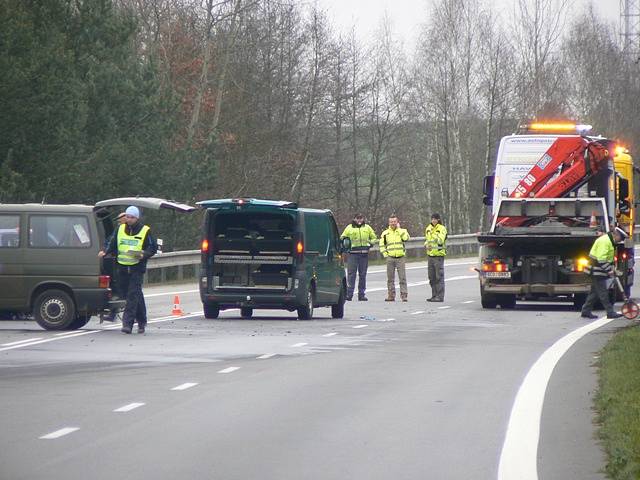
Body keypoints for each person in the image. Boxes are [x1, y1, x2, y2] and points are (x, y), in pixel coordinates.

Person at [99, 206, 157, 333]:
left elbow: (153, 247)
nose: (129, 220)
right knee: (132, 295)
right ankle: (142, 321)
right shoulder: (120, 229)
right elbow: (112, 243)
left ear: (137, 218)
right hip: (122, 267)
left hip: (137, 267)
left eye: (132, 217)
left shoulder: (145, 230)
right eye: (128, 217)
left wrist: (144, 254)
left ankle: (127, 324)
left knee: (132, 296)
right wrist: (105, 251)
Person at [580, 226, 625, 320]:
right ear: (616, 235)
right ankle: (610, 312)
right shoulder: (606, 241)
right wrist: (610, 271)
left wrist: (612, 269)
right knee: (603, 292)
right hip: (596, 270)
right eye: (621, 238)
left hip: (597, 269)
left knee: (595, 292)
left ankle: (586, 310)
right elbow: (601, 259)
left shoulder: (609, 241)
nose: (620, 241)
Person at [98, 212, 128, 323]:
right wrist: (105, 251)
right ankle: (114, 314)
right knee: (117, 289)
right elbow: (111, 241)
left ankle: (131, 316)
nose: (119, 222)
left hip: (125, 264)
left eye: (120, 220)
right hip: (118, 261)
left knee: (124, 291)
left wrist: (105, 251)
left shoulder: (130, 230)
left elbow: (111, 242)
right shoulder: (120, 229)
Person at [340, 214, 377, 301]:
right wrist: (346, 245)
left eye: (361, 218)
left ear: (363, 219)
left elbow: (374, 237)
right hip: (352, 254)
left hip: (364, 254)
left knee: (362, 275)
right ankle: (349, 294)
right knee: (351, 275)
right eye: (358, 219)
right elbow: (342, 237)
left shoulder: (367, 228)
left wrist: (370, 243)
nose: (359, 220)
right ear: (354, 219)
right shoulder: (349, 228)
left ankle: (361, 294)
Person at [379, 215, 410, 302]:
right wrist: (385, 254)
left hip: (400, 257)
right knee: (390, 278)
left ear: (397, 222)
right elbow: (381, 245)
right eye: (391, 222)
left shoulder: (402, 231)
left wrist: (399, 230)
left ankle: (404, 295)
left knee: (402, 277)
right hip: (390, 258)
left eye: (394, 222)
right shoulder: (385, 233)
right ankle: (391, 295)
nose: (393, 223)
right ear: (389, 223)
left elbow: (406, 238)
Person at [424, 213, 448, 302]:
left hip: (438, 255)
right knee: (431, 277)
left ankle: (440, 296)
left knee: (439, 276)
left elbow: (441, 240)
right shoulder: (428, 228)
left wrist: (433, 236)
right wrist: (426, 244)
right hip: (430, 254)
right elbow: (427, 239)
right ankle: (434, 295)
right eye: (432, 219)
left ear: (438, 220)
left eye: (435, 219)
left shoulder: (442, 228)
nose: (433, 220)